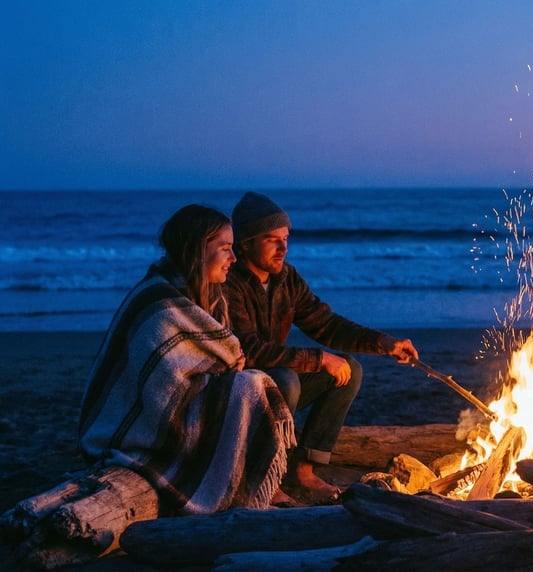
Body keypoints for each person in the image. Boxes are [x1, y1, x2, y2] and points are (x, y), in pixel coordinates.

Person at [79, 204, 296, 514]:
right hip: (138, 426)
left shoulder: (209, 295)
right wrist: (229, 369)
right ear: (197, 251)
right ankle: (242, 484)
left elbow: (217, 356)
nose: (233, 259)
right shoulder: (158, 302)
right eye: (224, 249)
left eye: (233, 248)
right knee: (250, 385)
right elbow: (163, 385)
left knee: (251, 383)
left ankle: (256, 480)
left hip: (186, 400)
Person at [224, 191, 420, 502]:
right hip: (235, 393)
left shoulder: (285, 279)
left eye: (286, 237)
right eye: (271, 239)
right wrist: (317, 359)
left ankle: (302, 471)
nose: (283, 247)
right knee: (283, 379)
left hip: (274, 384)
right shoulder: (227, 282)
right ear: (245, 243)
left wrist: (383, 343)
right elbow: (247, 350)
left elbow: (325, 323)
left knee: (348, 370)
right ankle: (263, 479)